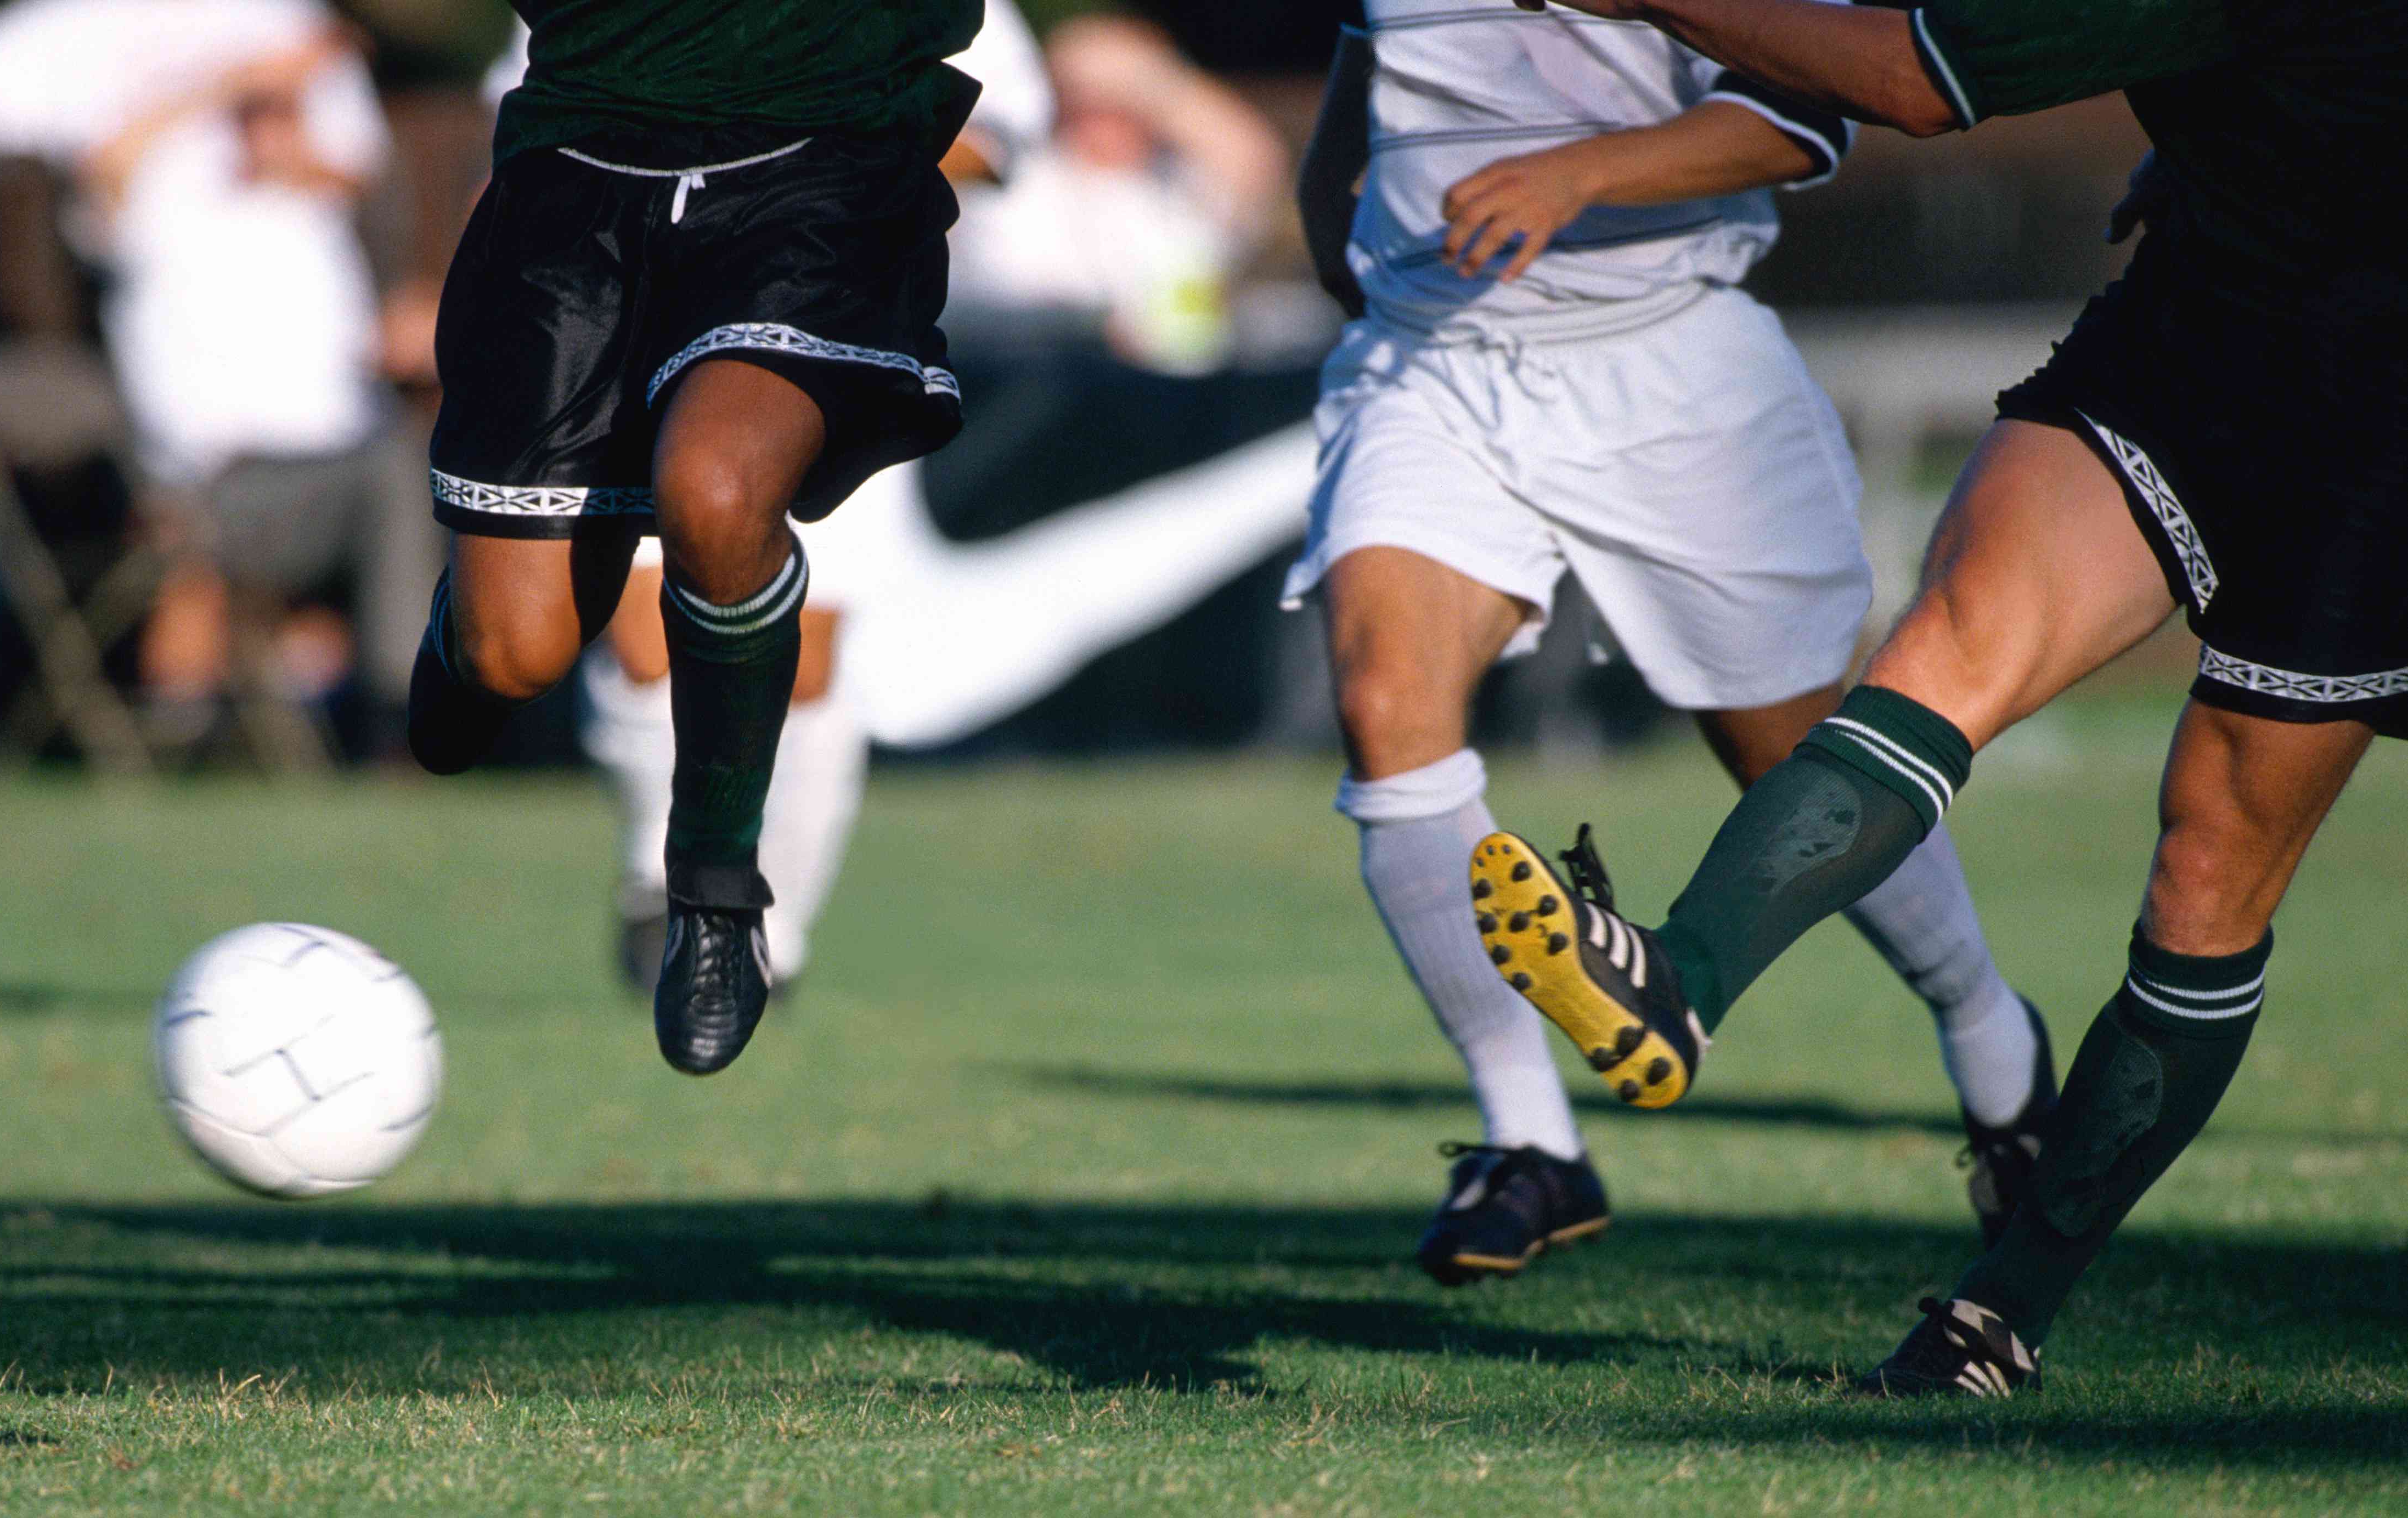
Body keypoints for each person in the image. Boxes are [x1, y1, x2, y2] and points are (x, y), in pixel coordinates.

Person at [1475, 0, 2408, 1392]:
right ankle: (1677, 983)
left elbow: (1910, 80)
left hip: (2375, 430)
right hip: (2211, 317)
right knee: (1954, 641)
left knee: (2213, 863)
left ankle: (2000, 1317)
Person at [1292, 0, 2052, 1285]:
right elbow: (1381, 45)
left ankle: (1993, 1042)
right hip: (1434, 360)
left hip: (1671, 369)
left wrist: (1574, 171)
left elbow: (1803, 115)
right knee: (1385, 708)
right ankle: (1530, 1146)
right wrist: (1329, 191)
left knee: (1800, 772)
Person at [413, 4, 981, 1076]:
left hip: (819, 164)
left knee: (715, 492)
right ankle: (462, 644)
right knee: (514, 649)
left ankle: (715, 898)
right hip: (586, 164)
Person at [512, 2, 1054, 995]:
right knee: (642, 628)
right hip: (634, 308)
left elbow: (1003, 138)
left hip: (831, 311)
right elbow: (537, 112)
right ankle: (662, 878)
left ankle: (771, 928)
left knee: (801, 646)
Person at [0, 0, 439, 740]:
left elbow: (352, 170)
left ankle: (404, 718)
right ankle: (396, 732)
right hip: (214, 469)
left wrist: (286, 143)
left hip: (343, 426)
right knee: (382, 483)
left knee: (431, 460)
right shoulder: (87, 58)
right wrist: (229, 84)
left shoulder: (283, 25)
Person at [948, 13, 1286, 373]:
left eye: (1117, 99)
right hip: (1034, 388)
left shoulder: (1179, 191)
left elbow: (1254, 162)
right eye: (1078, 97)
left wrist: (1152, 80)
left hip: (1170, 400)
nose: (1098, 115)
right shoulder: (1020, 181)